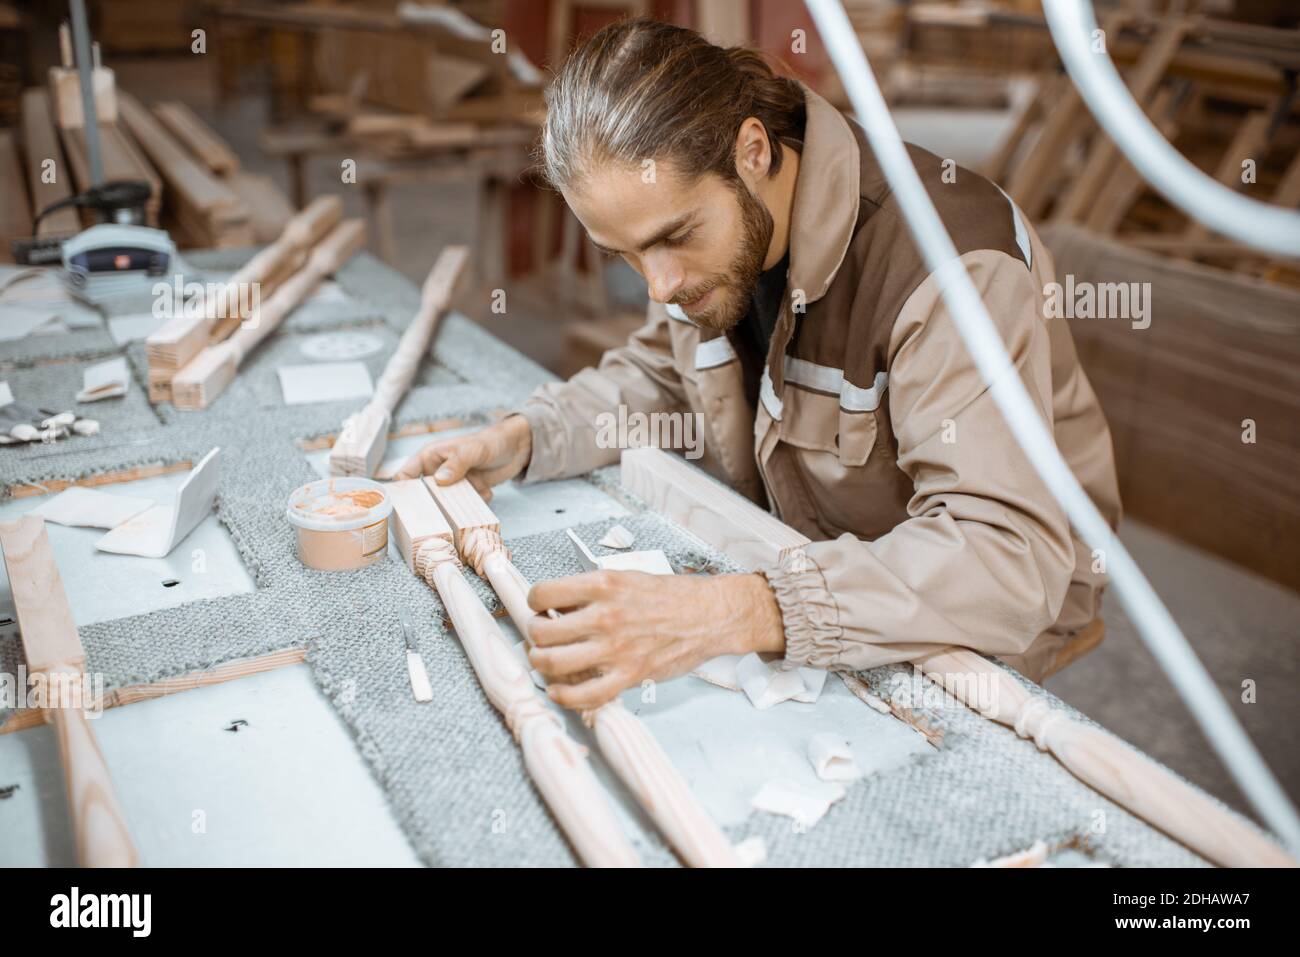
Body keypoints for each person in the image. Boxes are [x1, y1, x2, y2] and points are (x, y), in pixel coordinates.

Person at [396, 18, 1121, 710]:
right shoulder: (699, 248)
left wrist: (734, 610)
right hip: (820, 553)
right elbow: (662, 375)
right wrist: (525, 437)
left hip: (995, 601)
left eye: (675, 236)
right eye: (624, 255)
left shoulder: (950, 269)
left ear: (752, 150)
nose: (659, 286)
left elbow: (1005, 557)